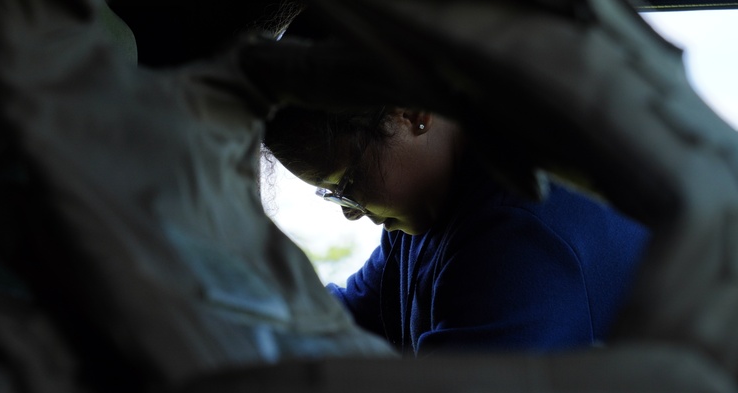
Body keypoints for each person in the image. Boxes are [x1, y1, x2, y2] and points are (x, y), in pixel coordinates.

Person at [263, 104, 649, 355]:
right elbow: (346, 322)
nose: (349, 213)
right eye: (332, 195)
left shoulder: (517, 233)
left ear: (413, 112)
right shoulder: (425, 218)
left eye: (347, 184)